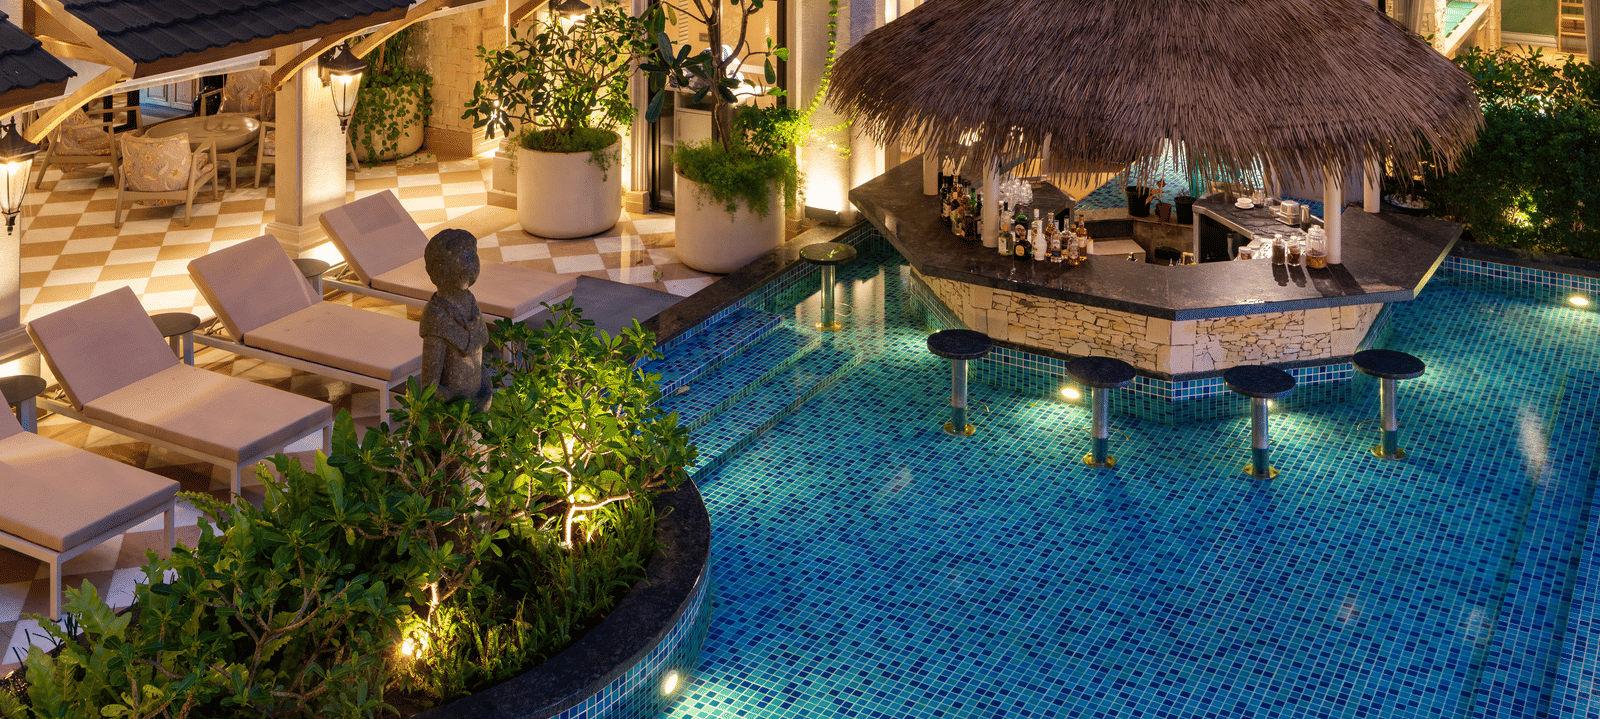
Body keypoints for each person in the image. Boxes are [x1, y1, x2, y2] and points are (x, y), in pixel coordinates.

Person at [418, 229, 492, 412]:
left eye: (473, 254)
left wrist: (486, 392)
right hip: (452, 416)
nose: (473, 262)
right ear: (442, 269)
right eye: (464, 256)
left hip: (477, 408)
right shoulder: (437, 316)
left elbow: (478, 363)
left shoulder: (470, 304)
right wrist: (466, 404)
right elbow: (430, 386)